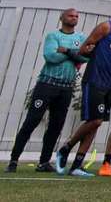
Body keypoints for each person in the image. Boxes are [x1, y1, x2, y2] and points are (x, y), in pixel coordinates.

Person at [6, 9, 87, 173]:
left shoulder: (81, 38)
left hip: (66, 87)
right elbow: (51, 57)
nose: (75, 18)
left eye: (77, 16)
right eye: (71, 15)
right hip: (46, 84)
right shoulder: (53, 36)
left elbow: (85, 57)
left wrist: (66, 51)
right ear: (62, 18)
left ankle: (43, 162)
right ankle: (13, 160)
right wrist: (74, 54)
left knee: (56, 126)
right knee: (32, 121)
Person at [55, 20, 111, 177]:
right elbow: (83, 49)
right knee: (96, 120)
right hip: (95, 80)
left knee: (95, 125)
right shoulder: (107, 27)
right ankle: (65, 148)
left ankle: (76, 165)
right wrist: (88, 50)